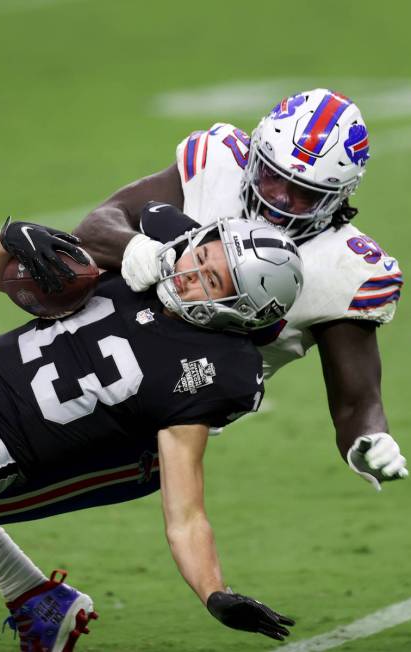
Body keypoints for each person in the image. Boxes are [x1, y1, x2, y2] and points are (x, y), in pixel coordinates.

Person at [0, 207, 302, 651]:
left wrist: (214, 592)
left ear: (236, 309)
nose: (191, 272)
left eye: (211, 280)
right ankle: (35, 598)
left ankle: (34, 598)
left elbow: (186, 515)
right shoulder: (142, 259)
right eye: (202, 254)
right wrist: (11, 237)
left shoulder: (213, 370)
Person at [63, 87, 405, 490]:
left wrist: (369, 439)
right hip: (81, 350)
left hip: (161, 419)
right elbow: (95, 227)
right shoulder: (219, 163)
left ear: (338, 197)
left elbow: (356, 402)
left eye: (303, 194)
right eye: (271, 176)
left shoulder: (347, 269)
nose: (277, 199)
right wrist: (136, 249)